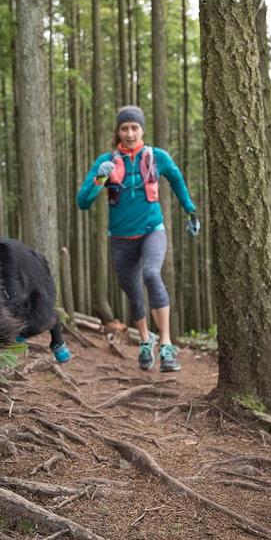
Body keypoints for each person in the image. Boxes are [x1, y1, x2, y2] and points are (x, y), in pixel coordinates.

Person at [77, 105, 199, 372]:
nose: (130, 133)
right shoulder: (105, 161)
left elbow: (177, 180)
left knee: (152, 274)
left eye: (134, 128)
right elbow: (83, 202)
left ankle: (166, 345)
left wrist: (190, 210)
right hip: (120, 237)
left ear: (142, 129)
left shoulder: (157, 156)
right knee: (132, 292)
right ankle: (146, 340)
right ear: (118, 131)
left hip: (152, 230)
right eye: (124, 128)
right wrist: (101, 177)